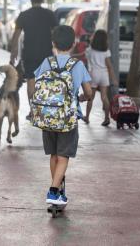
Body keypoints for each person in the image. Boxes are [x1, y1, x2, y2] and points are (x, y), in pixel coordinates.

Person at [33, 25, 92, 205]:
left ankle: (58, 190)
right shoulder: (78, 65)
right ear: (73, 44)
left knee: (53, 154)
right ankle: (53, 191)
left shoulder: (46, 62)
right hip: (68, 118)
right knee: (63, 155)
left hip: (47, 116)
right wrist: (82, 97)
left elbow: (37, 83)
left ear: (53, 44)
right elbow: (89, 92)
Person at [10, 0, 57, 120]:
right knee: (45, 83)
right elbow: (56, 34)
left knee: (31, 81)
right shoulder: (49, 14)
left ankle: (33, 111)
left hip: (29, 54)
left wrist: (13, 53)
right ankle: (42, 110)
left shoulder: (24, 15)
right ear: (42, 0)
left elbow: (16, 35)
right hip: (46, 53)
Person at [83, 29, 118, 126]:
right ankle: (107, 118)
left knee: (91, 97)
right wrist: (113, 78)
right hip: (104, 74)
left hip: (94, 74)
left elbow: (84, 57)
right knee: (104, 97)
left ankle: (87, 117)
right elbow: (109, 66)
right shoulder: (106, 51)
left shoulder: (89, 50)